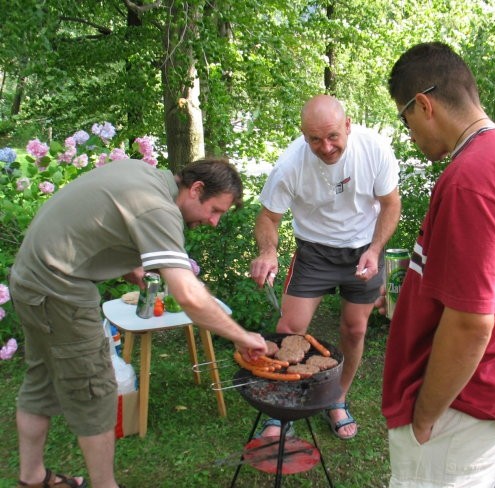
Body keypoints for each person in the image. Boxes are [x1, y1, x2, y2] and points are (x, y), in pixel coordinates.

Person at [9, 158, 267, 488]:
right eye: (215, 210)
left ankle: (32, 478)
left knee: (40, 380)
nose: (214, 222)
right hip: (58, 289)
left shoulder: (146, 176)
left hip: (31, 278)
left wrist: (127, 265)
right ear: (196, 189)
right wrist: (241, 336)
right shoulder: (159, 209)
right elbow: (188, 295)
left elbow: (99, 223)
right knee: (96, 392)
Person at [381, 42, 495, 487]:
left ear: (423, 105)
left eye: (406, 121)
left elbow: (470, 323)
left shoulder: (472, 178)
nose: (410, 135)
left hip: (461, 406)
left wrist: (425, 414)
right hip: (492, 390)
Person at [250, 94, 401, 440]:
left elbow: (391, 204)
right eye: (315, 139)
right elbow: (267, 217)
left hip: (364, 250)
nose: (326, 147)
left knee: (354, 330)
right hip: (314, 253)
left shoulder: (374, 149)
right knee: (290, 328)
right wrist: (268, 251)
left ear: (348, 125)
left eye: (333, 136)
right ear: (304, 136)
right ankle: (283, 404)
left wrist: (375, 250)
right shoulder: (291, 164)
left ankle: (337, 398)